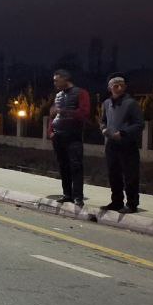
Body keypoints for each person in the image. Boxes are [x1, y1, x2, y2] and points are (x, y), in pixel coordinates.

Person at [100, 75, 144, 213]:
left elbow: (139, 124)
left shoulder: (131, 103)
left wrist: (124, 133)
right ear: (109, 88)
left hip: (127, 145)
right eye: (115, 84)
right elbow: (102, 121)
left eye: (121, 84)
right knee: (114, 174)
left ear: (125, 87)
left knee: (130, 175)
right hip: (111, 145)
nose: (118, 87)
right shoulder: (106, 103)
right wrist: (103, 129)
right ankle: (116, 202)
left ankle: (132, 204)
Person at [48, 69, 91, 206]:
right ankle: (67, 194)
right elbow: (53, 116)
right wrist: (51, 132)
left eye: (56, 80)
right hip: (58, 136)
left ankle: (78, 196)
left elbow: (84, 113)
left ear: (65, 79)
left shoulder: (81, 93)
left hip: (73, 135)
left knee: (76, 166)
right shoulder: (58, 95)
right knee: (63, 166)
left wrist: (64, 111)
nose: (54, 83)